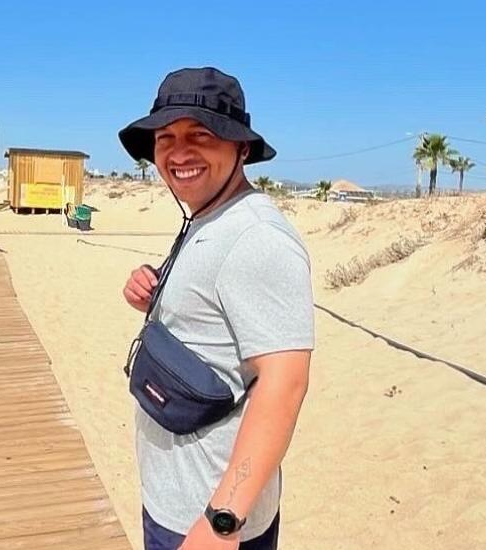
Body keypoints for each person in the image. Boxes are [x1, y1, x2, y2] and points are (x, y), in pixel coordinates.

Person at [119, 67, 314, 549]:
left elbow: (284, 383)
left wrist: (223, 520)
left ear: (240, 148)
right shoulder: (209, 217)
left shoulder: (257, 238)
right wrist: (155, 293)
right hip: (174, 500)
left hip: (208, 520)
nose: (178, 153)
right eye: (166, 138)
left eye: (200, 135)